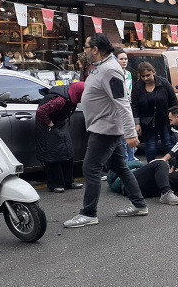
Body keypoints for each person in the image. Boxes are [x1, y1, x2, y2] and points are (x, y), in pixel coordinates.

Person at [63, 34, 147, 228]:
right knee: (120, 167)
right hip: (103, 126)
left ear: (95, 49)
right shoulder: (99, 67)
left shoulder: (110, 70)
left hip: (106, 129)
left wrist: (130, 134)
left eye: (85, 47)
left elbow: (122, 103)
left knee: (90, 168)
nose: (83, 50)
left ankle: (89, 213)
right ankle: (139, 204)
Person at [35, 81, 85, 193]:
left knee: (68, 152)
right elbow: (41, 112)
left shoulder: (71, 96)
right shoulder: (60, 100)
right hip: (48, 126)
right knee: (53, 155)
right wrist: (49, 123)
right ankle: (55, 184)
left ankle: (69, 181)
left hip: (59, 124)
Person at [107, 159, 178, 205]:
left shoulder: (125, 164)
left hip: (152, 184)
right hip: (131, 186)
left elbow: (141, 165)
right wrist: (137, 164)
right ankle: (166, 193)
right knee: (160, 163)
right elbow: (138, 164)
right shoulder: (115, 171)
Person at [131, 61, 176, 162]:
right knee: (151, 146)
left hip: (164, 119)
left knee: (168, 143)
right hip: (147, 121)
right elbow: (134, 106)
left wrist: (173, 117)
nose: (146, 78)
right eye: (143, 76)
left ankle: (174, 167)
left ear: (153, 72)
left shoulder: (163, 83)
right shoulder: (138, 87)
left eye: (148, 75)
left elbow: (173, 100)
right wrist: (137, 123)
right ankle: (151, 168)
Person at [116, 50, 137, 162]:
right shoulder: (114, 73)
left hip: (128, 105)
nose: (124, 61)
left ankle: (131, 158)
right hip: (119, 108)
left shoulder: (128, 74)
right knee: (123, 137)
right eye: (121, 59)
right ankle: (124, 160)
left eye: (125, 59)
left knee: (131, 132)